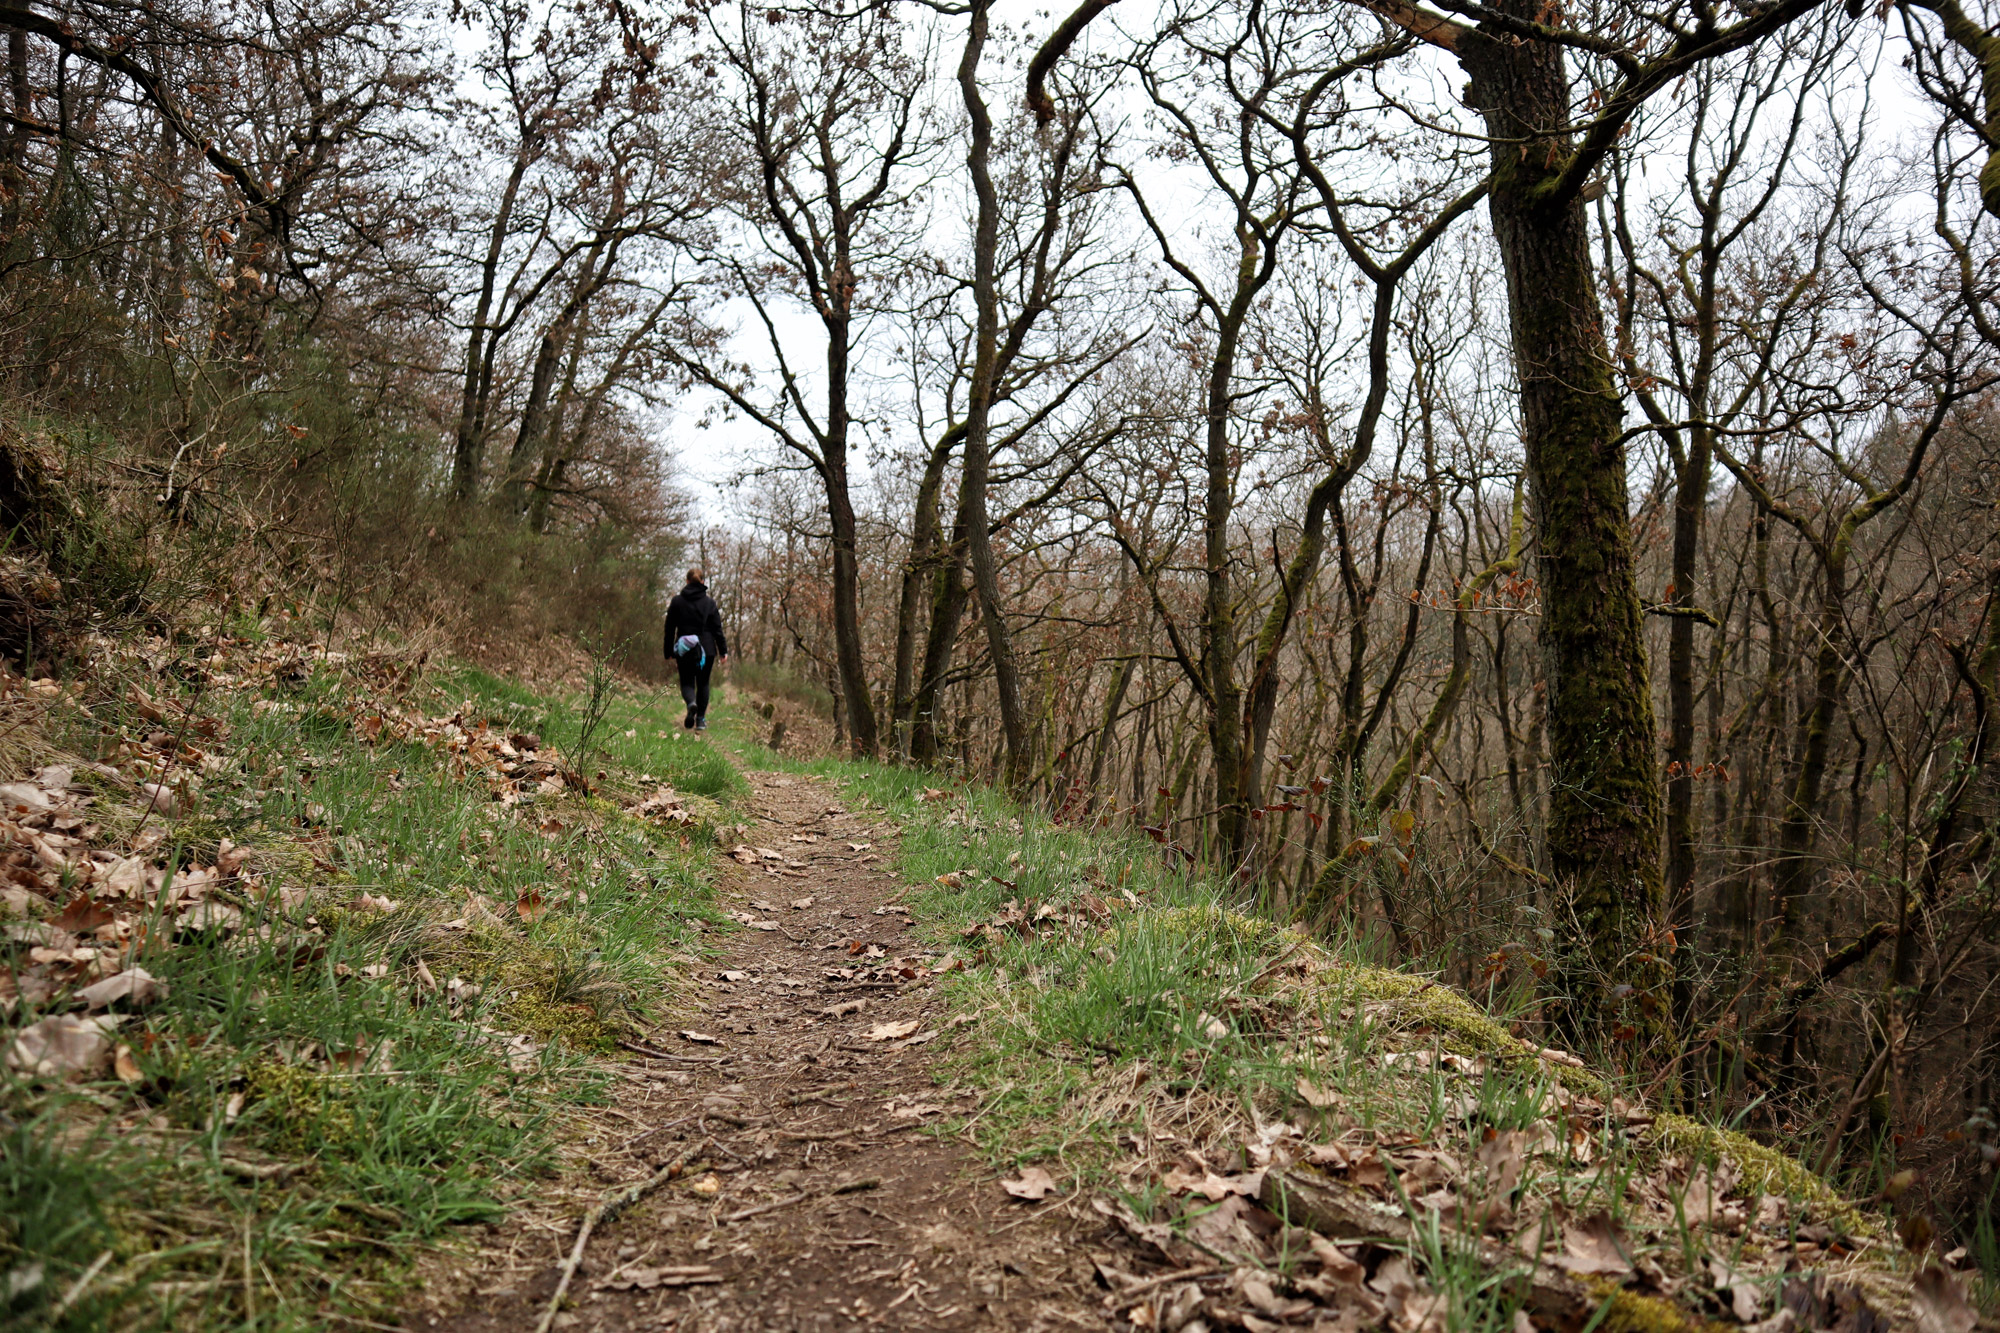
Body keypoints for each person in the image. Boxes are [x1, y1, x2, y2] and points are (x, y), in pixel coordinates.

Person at [664, 568, 727, 731]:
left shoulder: (677, 601)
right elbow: (717, 629)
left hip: (685, 648)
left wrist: (669, 651)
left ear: (686, 582)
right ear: (703, 582)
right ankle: (700, 720)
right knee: (704, 683)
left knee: (687, 682)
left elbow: (669, 627)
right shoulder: (710, 603)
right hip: (706, 648)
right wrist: (723, 651)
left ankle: (691, 703)